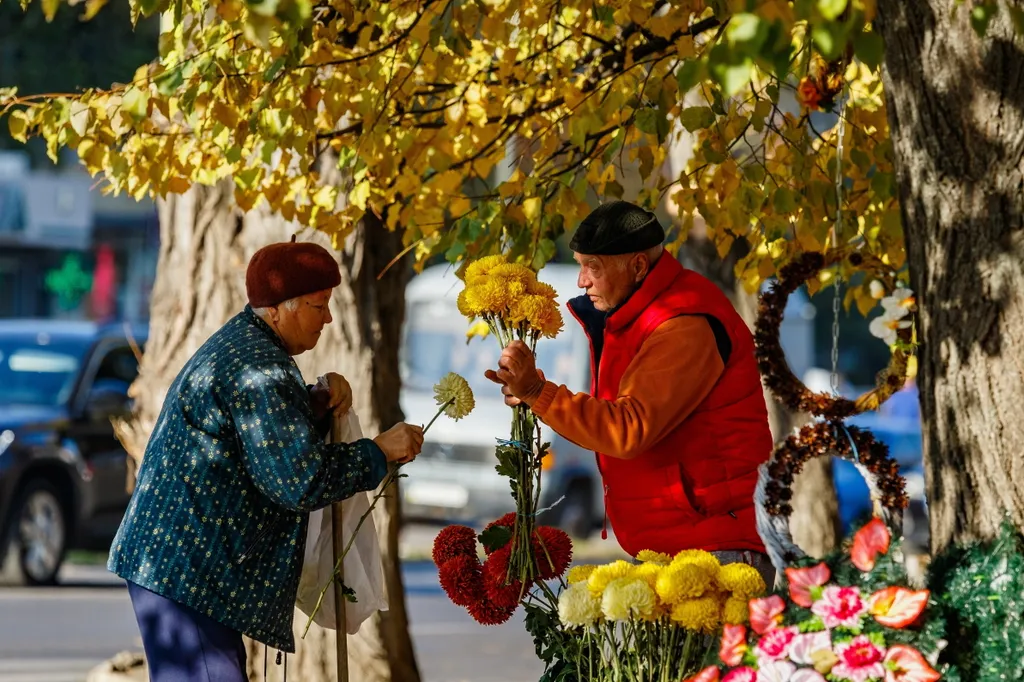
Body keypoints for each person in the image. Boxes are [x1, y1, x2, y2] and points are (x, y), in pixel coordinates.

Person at [107, 239, 424, 682]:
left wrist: (312, 403)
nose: (329, 319)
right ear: (278, 309)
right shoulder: (260, 366)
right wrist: (379, 450)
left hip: (182, 569)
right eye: (319, 306)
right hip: (187, 574)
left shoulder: (250, 348)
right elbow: (301, 481)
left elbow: (260, 442)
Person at [486, 201, 776, 584]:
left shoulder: (683, 322)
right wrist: (532, 395)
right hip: (680, 545)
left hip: (714, 548)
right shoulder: (638, 314)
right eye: (580, 264)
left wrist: (539, 392)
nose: (581, 281)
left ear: (638, 266)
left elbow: (628, 428)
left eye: (594, 267)